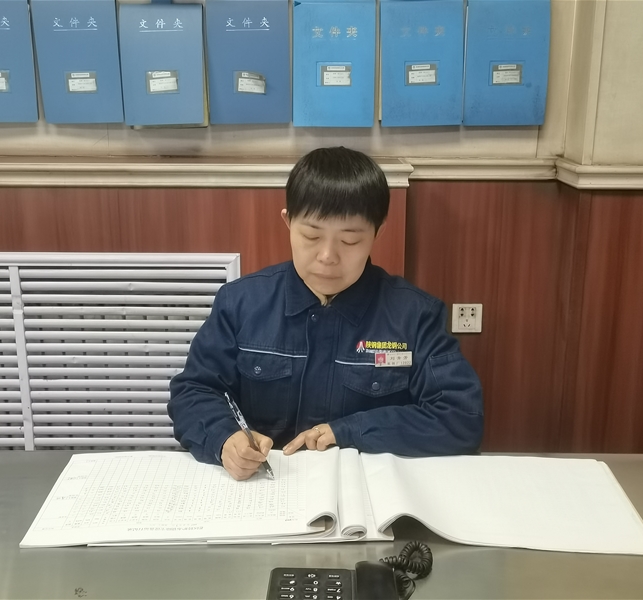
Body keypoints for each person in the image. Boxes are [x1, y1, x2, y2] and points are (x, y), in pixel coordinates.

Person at [169, 147, 483, 480]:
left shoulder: (414, 316)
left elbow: (460, 418)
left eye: (350, 241)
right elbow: (194, 391)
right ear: (288, 222)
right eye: (311, 235)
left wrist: (351, 431)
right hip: (265, 488)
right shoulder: (241, 303)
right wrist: (224, 438)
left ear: (378, 232)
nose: (328, 256)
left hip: (368, 490)